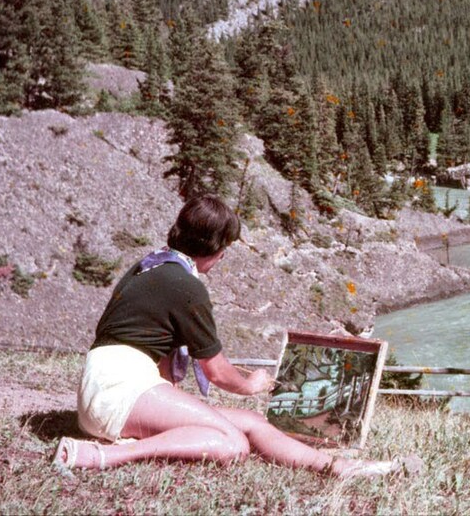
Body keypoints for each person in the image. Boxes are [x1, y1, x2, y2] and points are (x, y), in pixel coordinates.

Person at [53, 193, 416, 478]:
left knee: (252, 423)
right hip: (119, 391)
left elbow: (154, 350)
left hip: (104, 387)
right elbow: (216, 372)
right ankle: (104, 455)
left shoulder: (149, 266)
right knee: (232, 443)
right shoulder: (186, 286)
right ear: (217, 249)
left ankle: (335, 468)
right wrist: (251, 384)